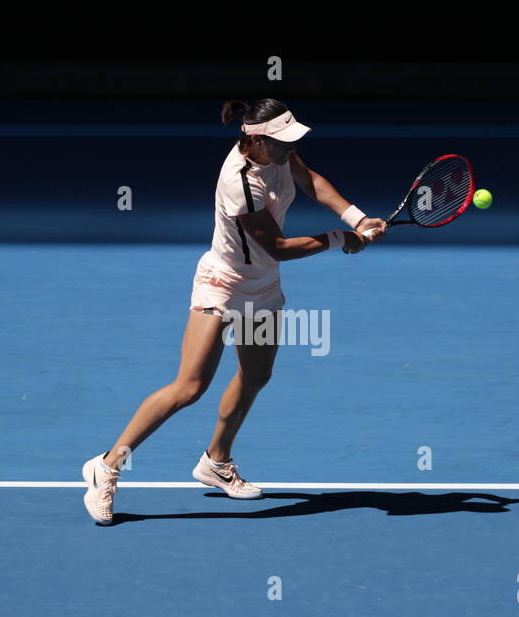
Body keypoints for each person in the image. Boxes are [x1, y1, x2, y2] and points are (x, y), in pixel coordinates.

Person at [80, 99, 388, 525]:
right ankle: (108, 465)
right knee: (189, 388)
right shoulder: (239, 184)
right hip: (223, 287)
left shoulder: (277, 150)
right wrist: (340, 238)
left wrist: (355, 216)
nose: (289, 149)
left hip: (262, 288)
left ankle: (215, 461)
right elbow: (277, 247)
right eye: (282, 144)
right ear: (256, 140)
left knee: (256, 375)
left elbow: (309, 179)